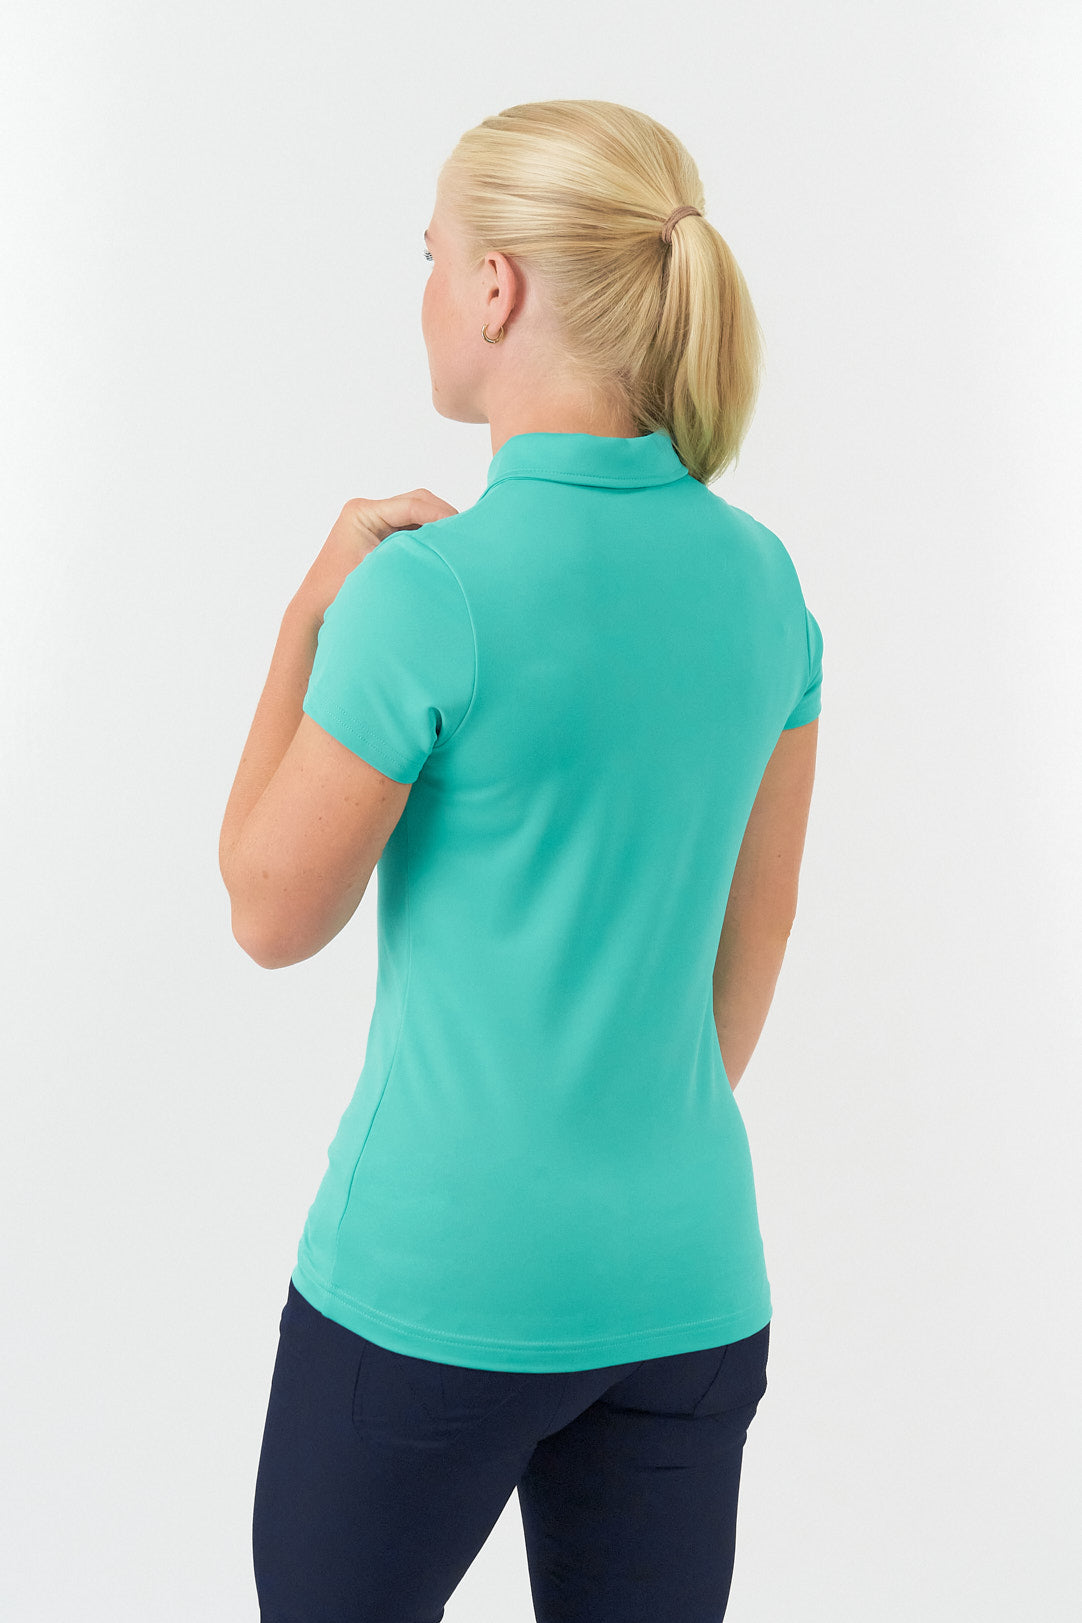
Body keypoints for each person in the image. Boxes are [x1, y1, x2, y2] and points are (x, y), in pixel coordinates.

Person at [221, 98, 823, 1623]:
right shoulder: (761, 580)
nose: (426, 289)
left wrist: (306, 615)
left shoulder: (428, 592)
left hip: (438, 1287)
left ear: (494, 289)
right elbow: (750, 942)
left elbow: (268, 913)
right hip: (686, 1282)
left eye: (430, 256)